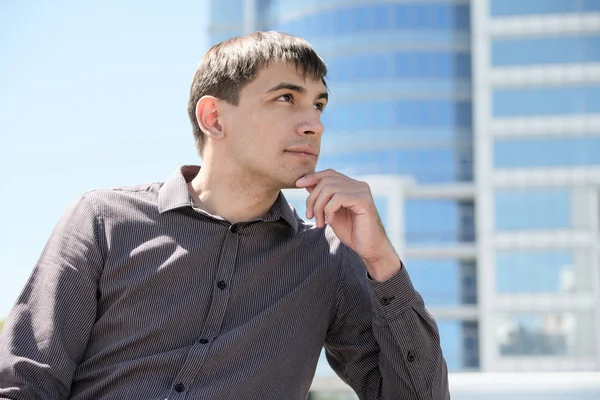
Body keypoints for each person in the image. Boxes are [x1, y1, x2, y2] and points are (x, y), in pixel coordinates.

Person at [0, 31, 449, 399]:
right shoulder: (102, 222)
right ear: (213, 117)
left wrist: (382, 262)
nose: (314, 123)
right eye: (287, 98)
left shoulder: (329, 258)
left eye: (319, 104)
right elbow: (25, 386)